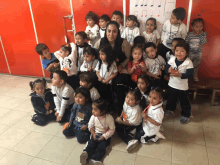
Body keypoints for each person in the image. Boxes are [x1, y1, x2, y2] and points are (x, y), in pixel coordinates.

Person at [94, 21, 131, 113]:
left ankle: (121, 108)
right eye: (109, 31)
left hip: (119, 70)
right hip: (104, 69)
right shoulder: (100, 42)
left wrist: (122, 65)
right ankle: (102, 106)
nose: (111, 34)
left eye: (114, 31)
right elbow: (96, 56)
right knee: (96, 81)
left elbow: (129, 57)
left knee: (118, 83)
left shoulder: (124, 43)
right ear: (105, 31)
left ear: (118, 32)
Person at [165, 40, 194, 124]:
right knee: (171, 99)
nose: (179, 53)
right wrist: (168, 71)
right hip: (172, 85)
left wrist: (180, 75)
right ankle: (170, 109)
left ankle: (186, 114)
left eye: (182, 51)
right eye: (177, 50)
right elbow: (167, 69)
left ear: (187, 52)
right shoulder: (172, 59)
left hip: (182, 87)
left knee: (184, 101)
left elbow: (190, 74)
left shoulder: (188, 62)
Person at [80, 99, 115, 165]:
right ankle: (86, 153)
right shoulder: (93, 117)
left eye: (95, 110)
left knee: (102, 146)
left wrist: (104, 136)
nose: (92, 111)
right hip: (95, 133)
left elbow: (112, 129)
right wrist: (93, 133)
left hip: (105, 135)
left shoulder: (109, 118)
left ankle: (95, 159)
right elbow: (90, 126)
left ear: (103, 111)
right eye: (92, 109)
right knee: (91, 143)